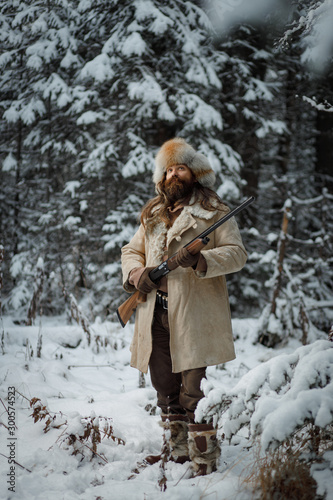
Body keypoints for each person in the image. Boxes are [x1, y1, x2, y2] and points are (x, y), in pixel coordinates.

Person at [121, 137, 247, 475]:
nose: (174, 174)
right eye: (169, 169)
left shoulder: (215, 212)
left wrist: (200, 260)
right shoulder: (153, 213)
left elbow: (237, 254)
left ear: (194, 173)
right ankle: (176, 455)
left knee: (194, 390)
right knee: (164, 386)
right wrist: (137, 273)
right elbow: (131, 251)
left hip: (196, 315)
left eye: (181, 167)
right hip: (154, 312)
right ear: (162, 177)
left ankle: (204, 462)